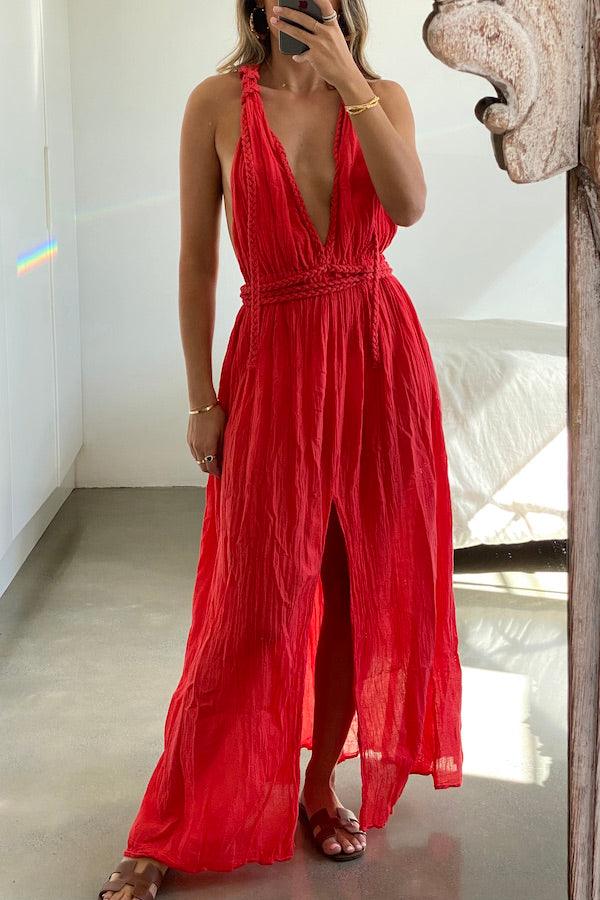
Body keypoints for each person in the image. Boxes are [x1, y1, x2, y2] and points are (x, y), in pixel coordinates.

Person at [98, 1, 463, 897]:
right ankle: (169, 824)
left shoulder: (381, 95)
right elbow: (196, 263)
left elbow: (410, 206)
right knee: (252, 605)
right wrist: (201, 400)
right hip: (273, 364)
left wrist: (347, 81)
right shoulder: (216, 104)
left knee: (358, 594)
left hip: (378, 361)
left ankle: (318, 787)